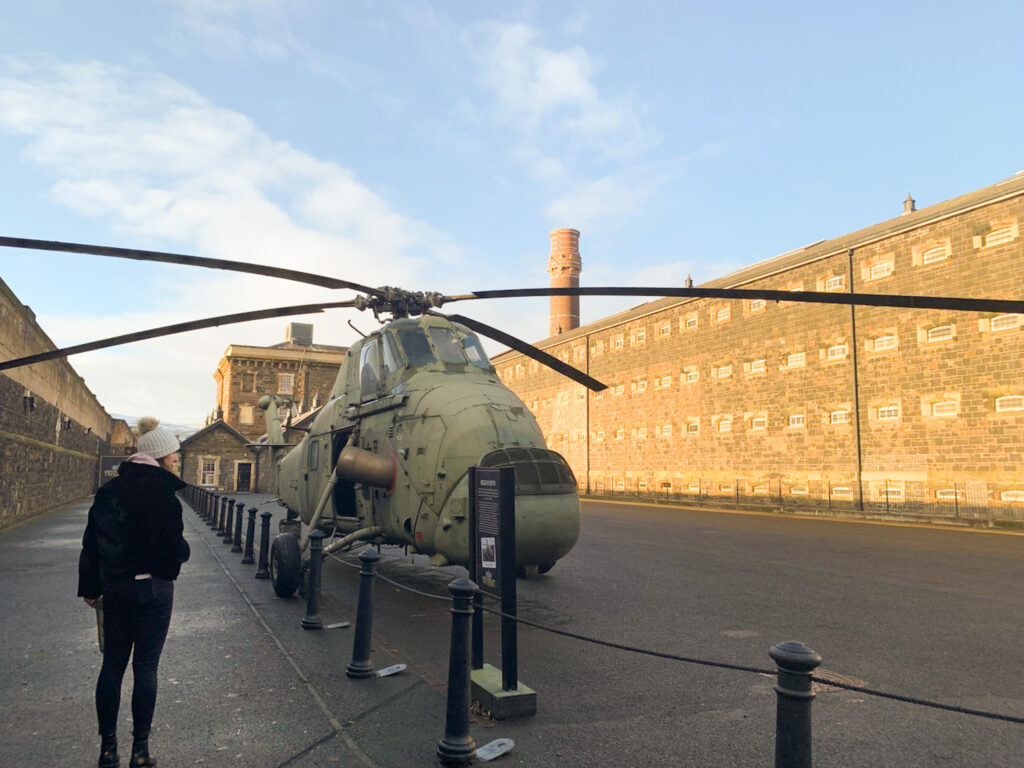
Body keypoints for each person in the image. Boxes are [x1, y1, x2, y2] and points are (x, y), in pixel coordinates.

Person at [78, 428, 189, 768]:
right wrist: (173, 563)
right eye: (174, 456)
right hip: (153, 591)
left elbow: (91, 545)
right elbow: (175, 551)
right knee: (146, 668)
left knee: (112, 667)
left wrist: (91, 588)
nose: (176, 460)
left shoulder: (108, 491)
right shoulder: (164, 495)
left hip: (115, 590)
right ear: (160, 458)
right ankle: (140, 753)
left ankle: (107, 751)